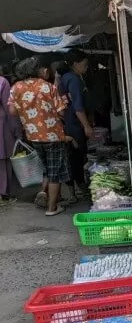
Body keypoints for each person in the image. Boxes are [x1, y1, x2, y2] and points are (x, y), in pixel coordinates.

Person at [8, 56, 69, 216]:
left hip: (33, 135)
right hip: (53, 135)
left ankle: (44, 194)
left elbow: (12, 111)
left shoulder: (16, 87)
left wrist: (27, 112)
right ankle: (52, 208)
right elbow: (61, 111)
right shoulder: (48, 87)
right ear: (37, 70)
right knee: (55, 171)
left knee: (45, 169)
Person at [58, 49, 92, 197]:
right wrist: (86, 126)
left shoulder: (65, 77)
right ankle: (80, 187)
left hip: (67, 122)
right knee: (77, 156)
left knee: (71, 157)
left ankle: (73, 192)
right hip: (74, 123)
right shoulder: (73, 79)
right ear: (75, 64)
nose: (86, 67)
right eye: (84, 64)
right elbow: (78, 106)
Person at [0, 69, 20, 205]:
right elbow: (10, 110)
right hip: (1, 126)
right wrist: (17, 131)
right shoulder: (2, 82)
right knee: (3, 162)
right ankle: (3, 195)